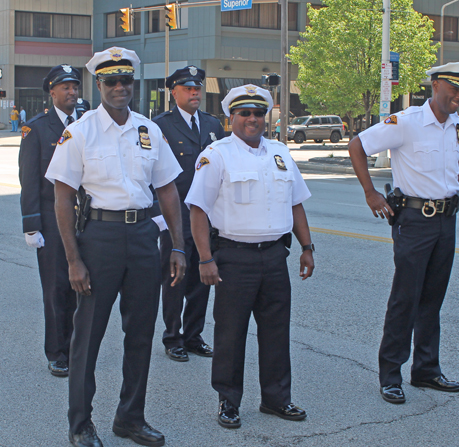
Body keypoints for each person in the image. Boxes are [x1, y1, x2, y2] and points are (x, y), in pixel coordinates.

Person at [45, 47, 186, 447]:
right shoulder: (81, 131)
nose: (120, 87)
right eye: (112, 81)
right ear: (99, 84)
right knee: (87, 338)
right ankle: (80, 424)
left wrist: (178, 246)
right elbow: (62, 197)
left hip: (143, 237)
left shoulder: (149, 130)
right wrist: (73, 259)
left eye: (126, 80)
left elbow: (168, 191)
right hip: (99, 239)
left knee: (141, 333)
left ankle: (130, 418)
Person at [186, 84, 315, 428]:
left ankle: (277, 399)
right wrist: (205, 258)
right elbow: (198, 210)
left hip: (275, 256)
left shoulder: (281, 153)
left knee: (277, 331)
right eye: (245, 113)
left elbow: (296, 202)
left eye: (259, 113)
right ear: (231, 118)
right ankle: (228, 400)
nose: (253, 119)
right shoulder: (217, 154)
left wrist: (307, 247)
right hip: (233, 257)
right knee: (230, 333)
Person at [348, 61, 459, 405]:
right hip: (415, 221)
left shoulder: (458, 125)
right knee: (406, 298)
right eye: (454, 89)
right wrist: (370, 193)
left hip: (447, 220)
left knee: (433, 298)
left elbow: (455, 167)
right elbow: (357, 145)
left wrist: (454, 190)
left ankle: (426, 369)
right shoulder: (406, 122)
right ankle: (391, 374)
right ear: (435, 86)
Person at [152, 66, 225, 362]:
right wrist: (159, 218)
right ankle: (173, 338)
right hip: (175, 217)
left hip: (206, 217)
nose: (195, 93)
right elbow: (151, 175)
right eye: (188, 89)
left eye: (197, 88)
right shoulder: (159, 126)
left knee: (200, 278)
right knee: (175, 279)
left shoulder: (212, 124)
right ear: (174, 92)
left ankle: (193, 336)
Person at [19, 64, 82, 377]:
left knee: (82, 287)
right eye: (65, 87)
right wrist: (31, 224)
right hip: (51, 218)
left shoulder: (86, 124)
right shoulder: (37, 129)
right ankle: (57, 351)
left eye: (75, 87)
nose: (72, 92)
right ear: (52, 91)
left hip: (84, 218)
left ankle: (77, 347)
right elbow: (29, 179)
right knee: (57, 288)